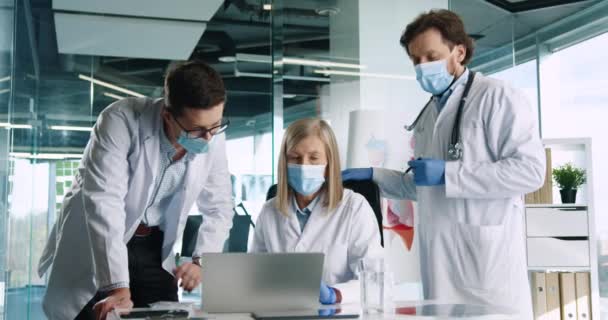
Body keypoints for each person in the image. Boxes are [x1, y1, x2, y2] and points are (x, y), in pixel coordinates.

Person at [342, 10, 545, 318]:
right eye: (416, 60)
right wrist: (374, 175)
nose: (423, 67)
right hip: (441, 269)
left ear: (459, 51)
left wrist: (448, 174)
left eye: (431, 56)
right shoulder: (428, 114)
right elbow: (421, 186)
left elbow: (531, 171)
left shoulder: (498, 97)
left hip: (487, 268)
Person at [38, 61, 235, 320]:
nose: (208, 138)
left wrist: (202, 261)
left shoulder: (210, 133)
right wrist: (118, 287)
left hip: (154, 246)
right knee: (95, 313)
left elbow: (220, 206)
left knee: (167, 314)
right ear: (167, 115)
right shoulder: (120, 120)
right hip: (101, 240)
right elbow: (105, 202)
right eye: (196, 130)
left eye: (215, 126)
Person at [251, 118, 383, 304]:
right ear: (284, 162)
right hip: (282, 312)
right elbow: (255, 275)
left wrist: (334, 294)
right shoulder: (269, 211)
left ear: (329, 162)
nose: (304, 166)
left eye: (314, 158)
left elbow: (373, 279)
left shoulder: (355, 208)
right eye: (295, 158)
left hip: (339, 314)